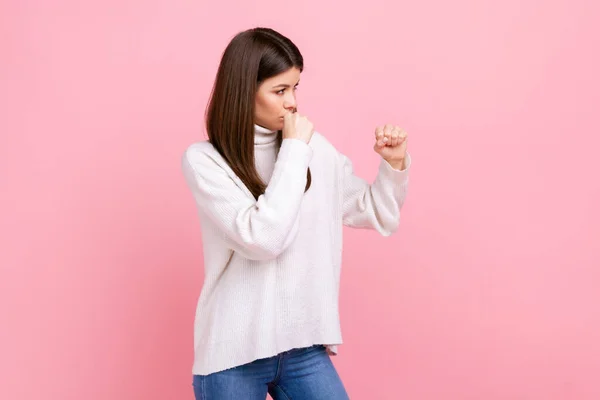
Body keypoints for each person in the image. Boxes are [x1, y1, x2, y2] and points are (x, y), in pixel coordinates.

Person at [181, 26, 411, 400]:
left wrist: (394, 166)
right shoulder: (206, 161)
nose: (292, 103)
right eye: (279, 90)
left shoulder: (310, 149)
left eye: (295, 88)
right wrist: (293, 150)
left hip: (303, 346)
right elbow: (263, 239)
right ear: (244, 92)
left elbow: (376, 212)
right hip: (233, 354)